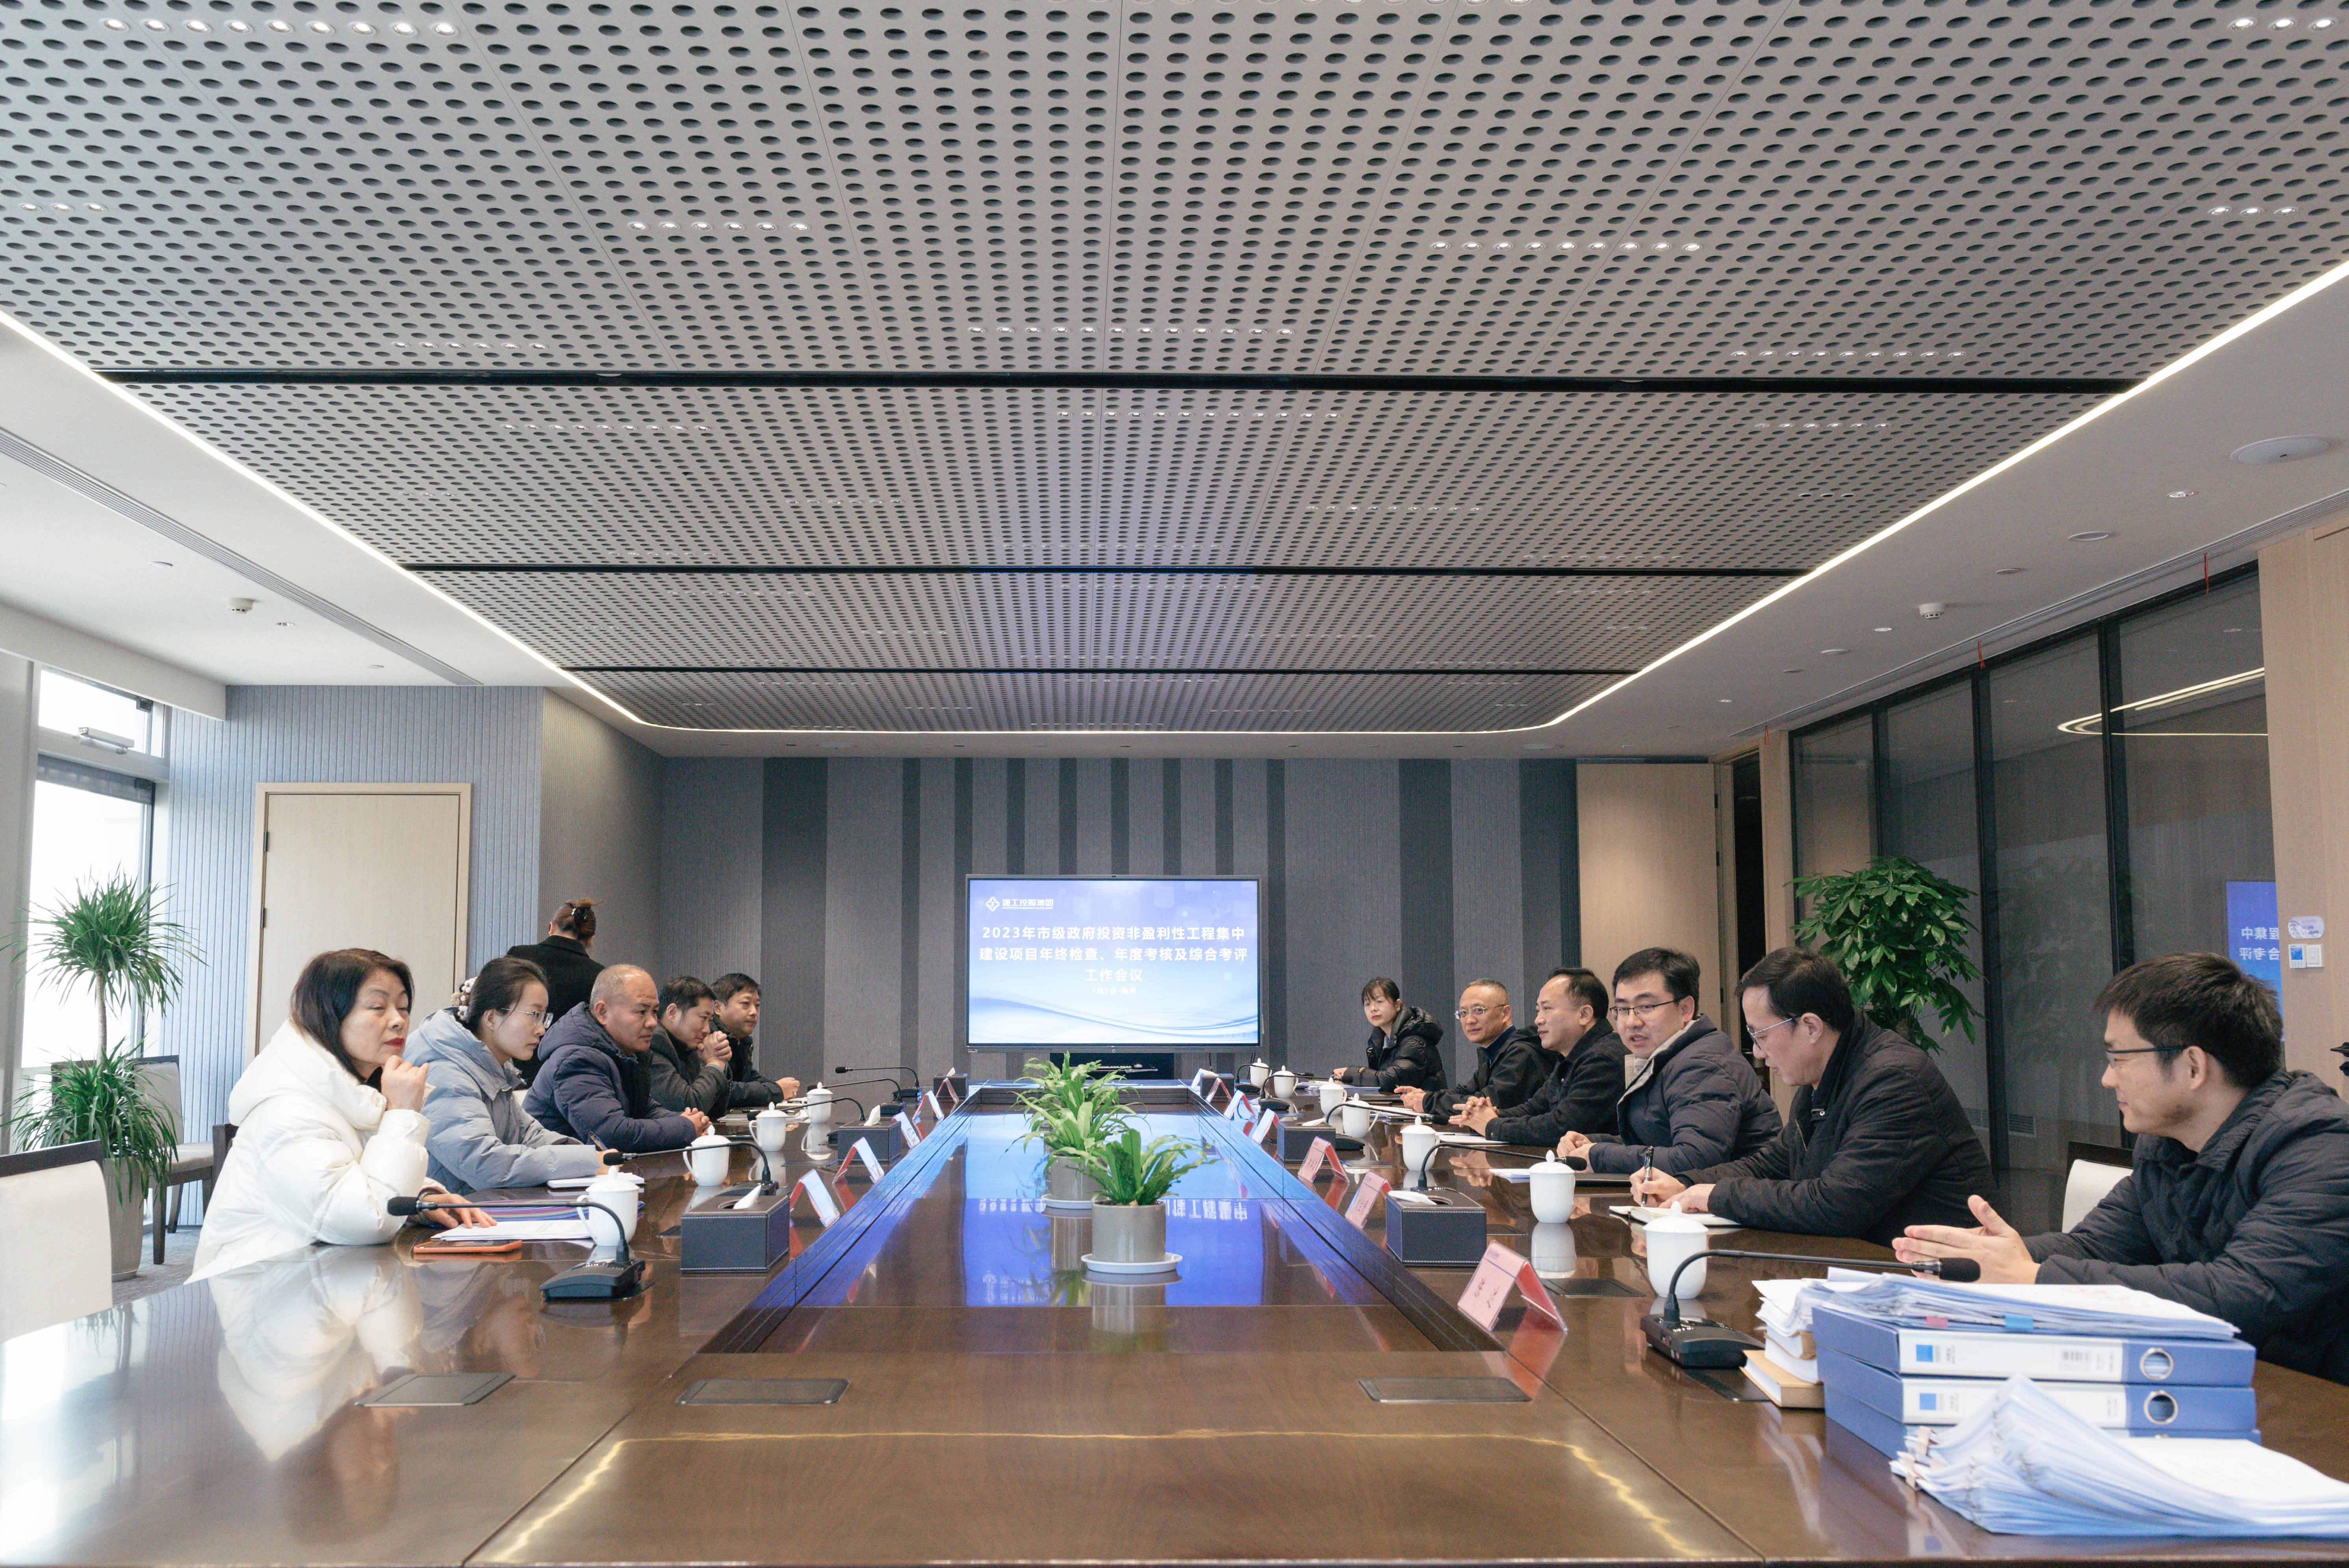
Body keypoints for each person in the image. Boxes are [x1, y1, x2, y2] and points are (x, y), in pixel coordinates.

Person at [1895, 954, 2349, 1384]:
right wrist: (1994, 1256)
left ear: (2193, 1067)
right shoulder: (2168, 1145)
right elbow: (2092, 1247)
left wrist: (2032, 1277)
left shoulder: (2320, 1148)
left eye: (2120, 1059)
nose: (2107, 1078)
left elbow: (2243, 1294)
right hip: (2222, 1383)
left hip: (2319, 1407)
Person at [1637, 946, 1991, 1244]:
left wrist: (1716, 1196)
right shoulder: (1823, 1075)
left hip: (1946, 1281)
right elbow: (1774, 1163)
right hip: (1874, 1266)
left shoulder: (1895, 1080)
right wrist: (1686, 1184)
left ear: (1810, 1026)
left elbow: (1837, 1205)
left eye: (1760, 1035)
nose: (1758, 1052)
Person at [193, 950, 490, 1282]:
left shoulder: (350, 1091)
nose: (398, 1020)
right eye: (378, 1007)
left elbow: (358, 1175)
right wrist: (403, 1114)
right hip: (264, 1287)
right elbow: (366, 1219)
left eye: (404, 1007)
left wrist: (422, 1200)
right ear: (329, 1014)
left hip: (319, 1278)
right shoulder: (287, 1110)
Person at [403, 956, 618, 1195]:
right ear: (492, 1018)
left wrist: (588, 1157)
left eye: (544, 1017)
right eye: (534, 1015)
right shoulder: (445, 1072)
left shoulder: (491, 1064)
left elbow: (526, 1133)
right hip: (446, 1214)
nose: (542, 1029)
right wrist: (585, 1162)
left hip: (479, 1206)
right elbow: (484, 1164)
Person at [1556, 948, 1778, 1175]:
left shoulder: (1701, 1065)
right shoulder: (1669, 1055)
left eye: (1646, 1007)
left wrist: (1600, 1155)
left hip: (1746, 1192)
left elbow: (1694, 1160)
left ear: (1685, 1009)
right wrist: (1593, 1144)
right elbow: (1659, 1140)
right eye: (1623, 1009)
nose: (1631, 1022)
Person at [525, 965, 709, 1152]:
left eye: (654, 1011)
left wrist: (687, 1120)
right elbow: (611, 1135)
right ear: (603, 1012)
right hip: (557, 1170)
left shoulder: (624, 1052)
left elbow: (644, 1109)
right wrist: (685, 1127)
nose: (653, 1023)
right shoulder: (577, 1060)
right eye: (641, 1012)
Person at [1454, 968, 1625, 1146]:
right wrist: (1488, 1115)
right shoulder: (1569, 1057)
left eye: (1547, 1009)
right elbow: (1534, 1108)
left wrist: (1492, 1125)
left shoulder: (1604, 1060)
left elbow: (1561, 1127)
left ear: (1584, 1015)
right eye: (1538, 1011)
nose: (1538, 1020)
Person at [1398, 980, 1546, 1122]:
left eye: (1479, 1011)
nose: (1469, 1020)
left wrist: (1428, 1101)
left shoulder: (1521, 1052)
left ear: (1505, 1014)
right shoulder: (1493, 1050)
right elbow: (1467, 1091)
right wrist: (1424, 1095)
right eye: (1464, 1013)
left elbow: (1484, 1104)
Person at [504, 898, 605, 1085]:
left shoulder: (519, 955)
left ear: (551, 927)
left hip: (514, 1067)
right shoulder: (599, 975)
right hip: (566, 1075)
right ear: (591, 939)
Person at [1333, 977, 1448, 1095]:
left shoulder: (1414, 1040)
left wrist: (1354, 1074)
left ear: (1397, 1005)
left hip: (1426, 1105)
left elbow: (1392, 1081)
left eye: (1379, 1002)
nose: (1373, 1009)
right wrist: (1348, 1077)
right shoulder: (1380, 1039)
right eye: (1368, 1004)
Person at [646, 975, 740, 1119]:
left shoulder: (688, 1045)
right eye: (703, 1018)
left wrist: (721, 1064)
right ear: (672, 1013)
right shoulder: (654, 1043)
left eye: (710, 1021)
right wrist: (714, 1064)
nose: (707, 1030)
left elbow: (716, 1111)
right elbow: (688, 1109)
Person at [710, 972, 801, 1105]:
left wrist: (777, 1087)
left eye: (757, 1005)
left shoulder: (741, 1040)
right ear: (718, 1008)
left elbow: (748, 1078)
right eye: (746, 1004)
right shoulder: (708, 1036)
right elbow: (723, 1091)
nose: (754, 1012)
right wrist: (776, 1091)